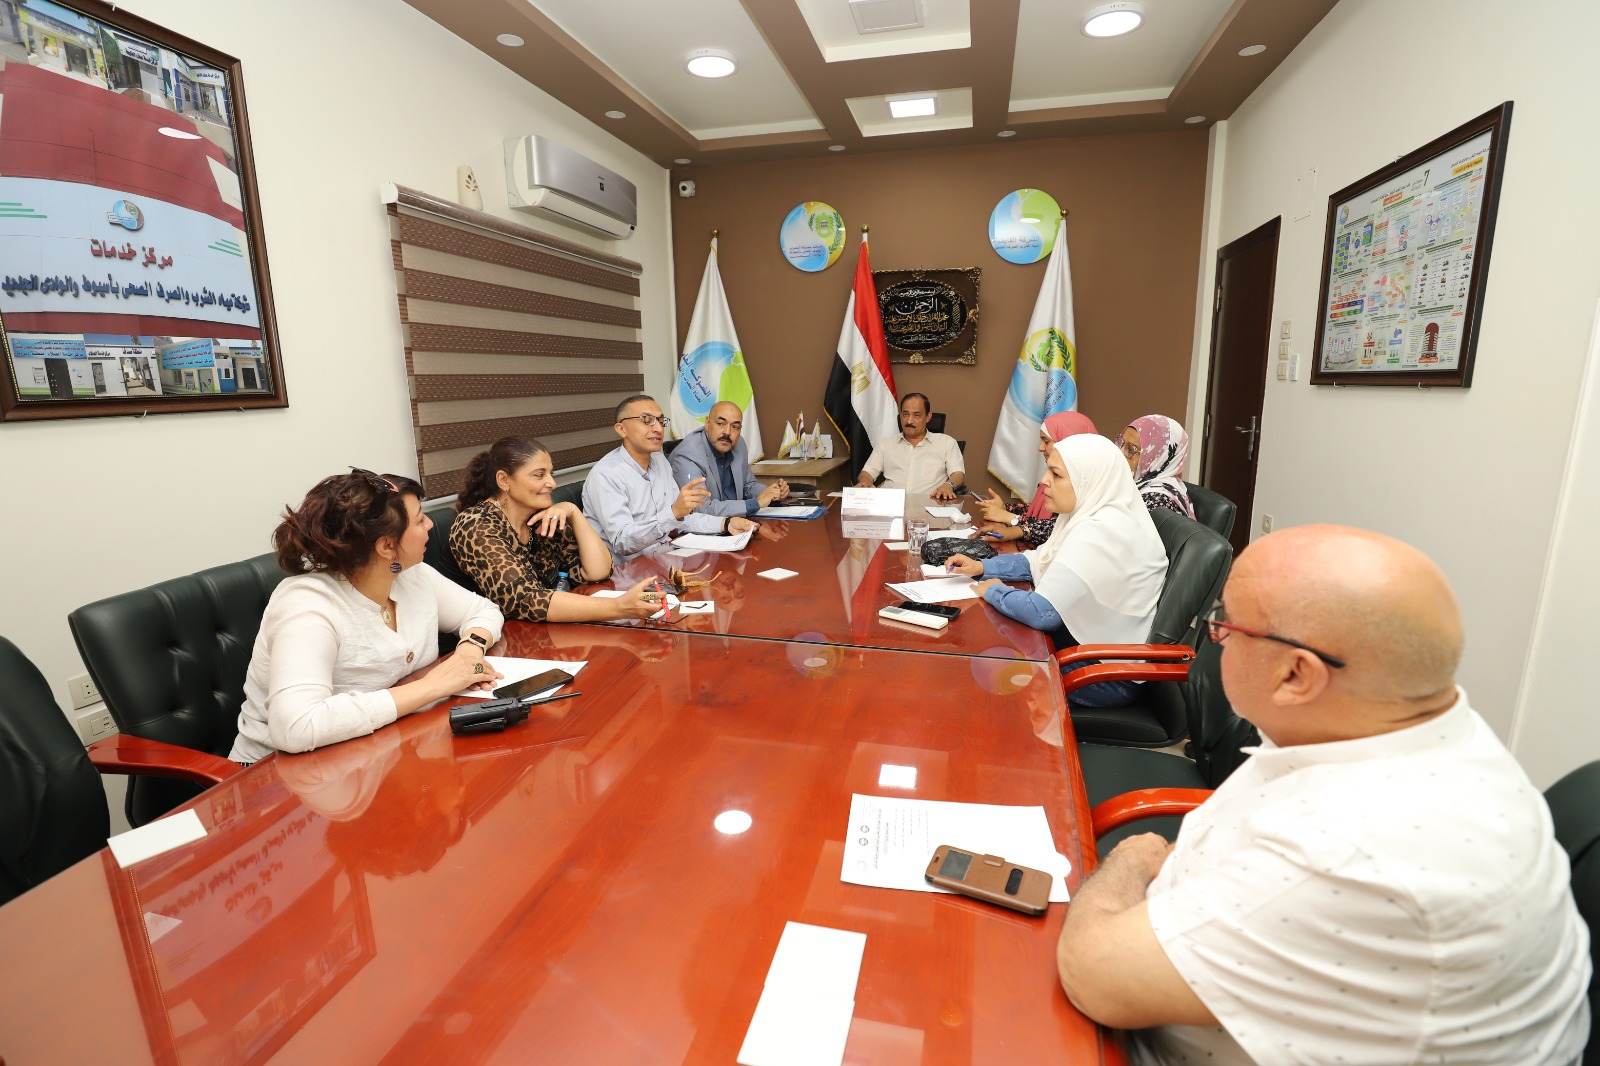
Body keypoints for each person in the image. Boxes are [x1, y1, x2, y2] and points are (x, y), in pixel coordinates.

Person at [1056, 525, 1591, 1065]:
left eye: (1224, 623)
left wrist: (1136, 857)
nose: (1215, 637)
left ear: (1295, 675)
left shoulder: (1350, 852)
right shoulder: (1420, 728)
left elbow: (1091, 971)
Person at [230, 470, 509, 763]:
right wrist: (433, 685)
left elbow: (483, 611)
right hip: (275, 774)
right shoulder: (306, 605)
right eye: (419, 520)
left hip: (381, 751)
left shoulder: (411, 575)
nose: (429, 524)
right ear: (387, 546)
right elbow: (296, 727)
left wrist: (469, 651)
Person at [945, 435, 1166, 708]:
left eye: (1056, 474)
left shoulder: (1104, 530)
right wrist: (982, 567)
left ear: (1088, 479)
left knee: (993, 679)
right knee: (991, 656)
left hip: (1104, 673)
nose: (1043, 481)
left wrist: (994, 590)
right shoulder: (1090, 513)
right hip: (1080, 646)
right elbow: (1039, 560)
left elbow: (1042, 613)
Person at [450, 436, 666, 622]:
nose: (552, 483)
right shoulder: (475, 525)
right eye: (539, 475)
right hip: (507, 641)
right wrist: (619, 607)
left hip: (552, 630)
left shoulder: (542, 517)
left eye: (551, 474)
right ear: (504, 480)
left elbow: (597, 572)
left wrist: (574, 512)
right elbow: (526, 600)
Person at [583, 394, 756, 558]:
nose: (658, 428)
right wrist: (673, 513)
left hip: (667, 557)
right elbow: (622, 541)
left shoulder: (660, 461)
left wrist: (726, 523)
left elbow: (681, 519)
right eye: (646, 420)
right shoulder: (606, 474)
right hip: (629, 571)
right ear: (621, 429)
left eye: (660, 421)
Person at [974, 411, 1099, 546]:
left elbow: (1059, 528)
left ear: (1067, 441)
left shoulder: (1086, 482)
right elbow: (1037, 510)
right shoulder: (1058, 472)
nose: (1040, 448)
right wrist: (1005, 507)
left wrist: (1011, 519)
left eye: (1046, 441)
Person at [669, 400, 790, 516]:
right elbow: (701, 509)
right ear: (707, 423)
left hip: (737, 521)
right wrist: (755, 503)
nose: (727, 432)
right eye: (720, 423)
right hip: (706, 527)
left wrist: (771, 492)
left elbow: (748, 485)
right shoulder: (688, 456)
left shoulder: (739, 444)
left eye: (735, 426)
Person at [855, 392, 966, 500]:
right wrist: (865, 482)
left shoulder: (946, 443)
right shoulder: (885, 444)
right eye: (905, 414)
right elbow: (867, 472)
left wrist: (948, 485)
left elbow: (958, 473)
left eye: (916, 415)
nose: (909, 420)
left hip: (929, 504)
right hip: (889, 503)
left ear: (928, 417)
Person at [1121, 414, 1196, 518]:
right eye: (1121, 443)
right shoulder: (1134, 483)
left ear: (1155, 458)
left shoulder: (1158, 502)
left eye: (1130, 449)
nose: (1120, 453)